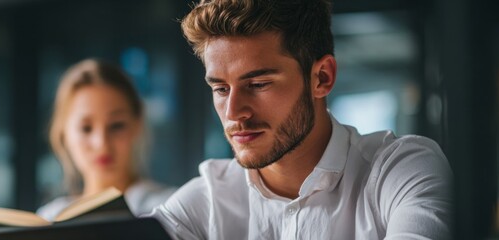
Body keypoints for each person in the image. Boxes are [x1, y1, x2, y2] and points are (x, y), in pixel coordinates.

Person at [148, 0, 453, 239]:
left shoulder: (402, 171)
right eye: (221, 88)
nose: (232, 112)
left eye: (258, 84)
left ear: (321, 77)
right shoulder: (208, 201)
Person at [37, 59, 175, 221]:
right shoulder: (49, 217)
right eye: (86, 128)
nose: (102, 143)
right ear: (63, 134)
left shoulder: (171, 209)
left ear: (137, 124)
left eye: (116, 126)